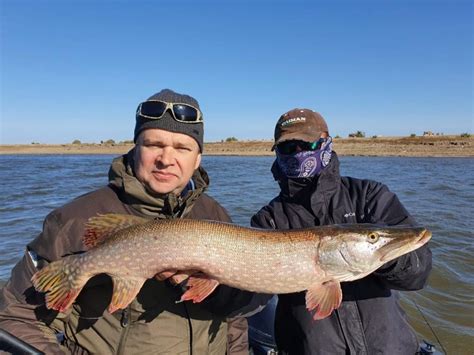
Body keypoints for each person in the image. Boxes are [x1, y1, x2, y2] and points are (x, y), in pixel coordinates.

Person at [0, 89, 268, 354]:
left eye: (182, 148)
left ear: (197, 159)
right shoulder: (77, 218)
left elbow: (233, 321)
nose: (166, 159)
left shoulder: (215, 215)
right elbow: (17, 316)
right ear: (136, 147)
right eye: (154, 145)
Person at [249, 108, 432, 355]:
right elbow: (254, 297)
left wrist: (387, 257)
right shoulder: (269, 219)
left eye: (307, 143)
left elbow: (419, 273)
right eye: (288, 147)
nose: (299, 153)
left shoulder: (369, 196)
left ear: (326, 141)